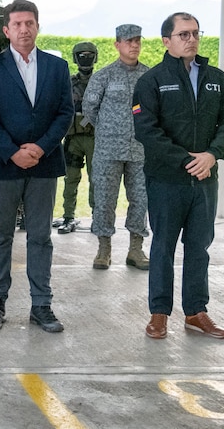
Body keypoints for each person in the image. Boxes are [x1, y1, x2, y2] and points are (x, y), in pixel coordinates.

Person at [133, 12, 224, 340]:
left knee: (199, 247)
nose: (191, 39)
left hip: (205, 181)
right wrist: (184, 160)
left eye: (195, 33)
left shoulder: (216, 79)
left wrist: (211, 155)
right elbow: (146, 130)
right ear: (167, 41)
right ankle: (159, 314)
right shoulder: (150, 81)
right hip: (167, 180)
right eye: (183, 34)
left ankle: (195, 312)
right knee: (162, 246)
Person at [0, 0, 74, 333]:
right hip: (3, 164)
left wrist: (42, 147)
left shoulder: (57, 67)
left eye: (29, 23)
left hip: (44, 165)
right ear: (6, 30)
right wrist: (12, 151)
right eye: (17, 24)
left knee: (40, 236)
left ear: (37, 26)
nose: (24, 29)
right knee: (0, 236)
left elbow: (65, 113)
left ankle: (41, 305)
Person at [82, 25, 150, 270]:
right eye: (128, 41)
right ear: (117, 44)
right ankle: (104, 249)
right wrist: (109, 128)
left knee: (141, 200)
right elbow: (90, 108)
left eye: (137, 41)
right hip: (108, 151)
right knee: (104, 201)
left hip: (140, 150)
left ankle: (135, 249)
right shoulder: (104, 75)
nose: (134, 45)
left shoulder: (149, 75)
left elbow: (155, 110)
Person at [57, 41, 97, 235]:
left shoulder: (100, 82)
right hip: (72, 139)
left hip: (94, 140)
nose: (86, 58)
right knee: (70, 179)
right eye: (82, 55)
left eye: (89, 54)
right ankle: (68, 216)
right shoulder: (68, 82)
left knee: (96, 180)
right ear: (75, 58)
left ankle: (98, 218)